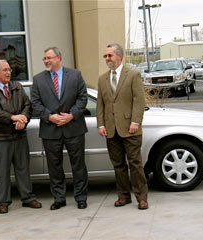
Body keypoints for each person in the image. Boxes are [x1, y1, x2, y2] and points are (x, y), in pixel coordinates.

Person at [0, 60, 42, 214]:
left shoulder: (17, 86)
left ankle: (27, 198)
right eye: (5, 70)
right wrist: (12, 118)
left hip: (19, 135)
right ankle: (2, 202)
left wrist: (23, 119)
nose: (8, 73)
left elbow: (27, 105)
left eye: (9, 69)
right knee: (1, 171)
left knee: (23, 168)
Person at [31, 47, 88, 210]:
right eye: (44, 58)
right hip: (51, 129)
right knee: (54, 166)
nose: (46, 61)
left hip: (73, 127)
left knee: (78, 165)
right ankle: (59, 198)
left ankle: (81, 198)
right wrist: (49, 116)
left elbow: (82, 98)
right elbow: (35, 102)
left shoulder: (75, 75)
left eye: (49, 58)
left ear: (59, 58)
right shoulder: (38, 79)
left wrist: (71, 115)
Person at [96, 43, 149, 210]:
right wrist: (101, 124)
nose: (107, 59)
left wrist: (135, 122)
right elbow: (100, 105)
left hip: (130, 128)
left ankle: (142, 198)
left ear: (119, 56)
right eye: (105, 56)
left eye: (110, 55)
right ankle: (124, 196)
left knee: (135, 163)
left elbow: (139, 101)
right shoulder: (102, 79)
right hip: (111, 130)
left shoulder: (133, 75)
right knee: (118, 165)